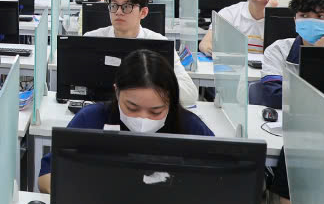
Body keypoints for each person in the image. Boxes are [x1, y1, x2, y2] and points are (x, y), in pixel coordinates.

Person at [37, 49, 214, 193]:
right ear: (117, 92)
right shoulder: (91, 119)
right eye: (132, 108)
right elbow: (46, 175)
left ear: (172, 102)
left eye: (156, 111)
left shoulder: (191, 127)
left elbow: (220, 181)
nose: (143, 118)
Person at [85, 0, 199, 106]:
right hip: (100, 106)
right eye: (113, 6)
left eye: (126, 6)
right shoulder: (91, 39)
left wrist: (150, 85)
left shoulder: (159, 44)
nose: (118, 12)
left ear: (143, 13)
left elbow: (190, 94)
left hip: (145, 110)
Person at [251, 0, 324, 109]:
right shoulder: (278, 50)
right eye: (304, 15)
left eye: (321, 16)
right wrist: (315, 54)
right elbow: (273, 96)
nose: (312, 22)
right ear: (295, 20)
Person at [199, 0, 283, 56]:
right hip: (233, 63)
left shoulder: (282, 21)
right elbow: (205, 43)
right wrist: (213, 51)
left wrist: (270, 15)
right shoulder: (229, 13)